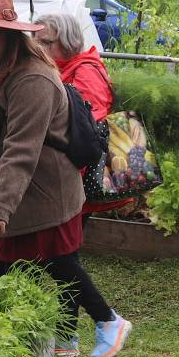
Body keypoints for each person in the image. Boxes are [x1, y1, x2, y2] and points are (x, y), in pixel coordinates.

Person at [0, 0, 131, 357]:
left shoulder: (33, 80)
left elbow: (21, 150)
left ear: (11, 36)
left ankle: (107, 321)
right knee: (4, 266)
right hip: (11, 198)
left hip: (43, 194)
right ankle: (2, 336)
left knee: (58, 264)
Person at [33, 12, 135, 218]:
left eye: (45, 42)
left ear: (67, 42)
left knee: (67, 231)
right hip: (67, 169)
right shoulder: (58, 69)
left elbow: (88, 128)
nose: (36, 48)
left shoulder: (85, 72)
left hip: (78, 170)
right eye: (34, 40)